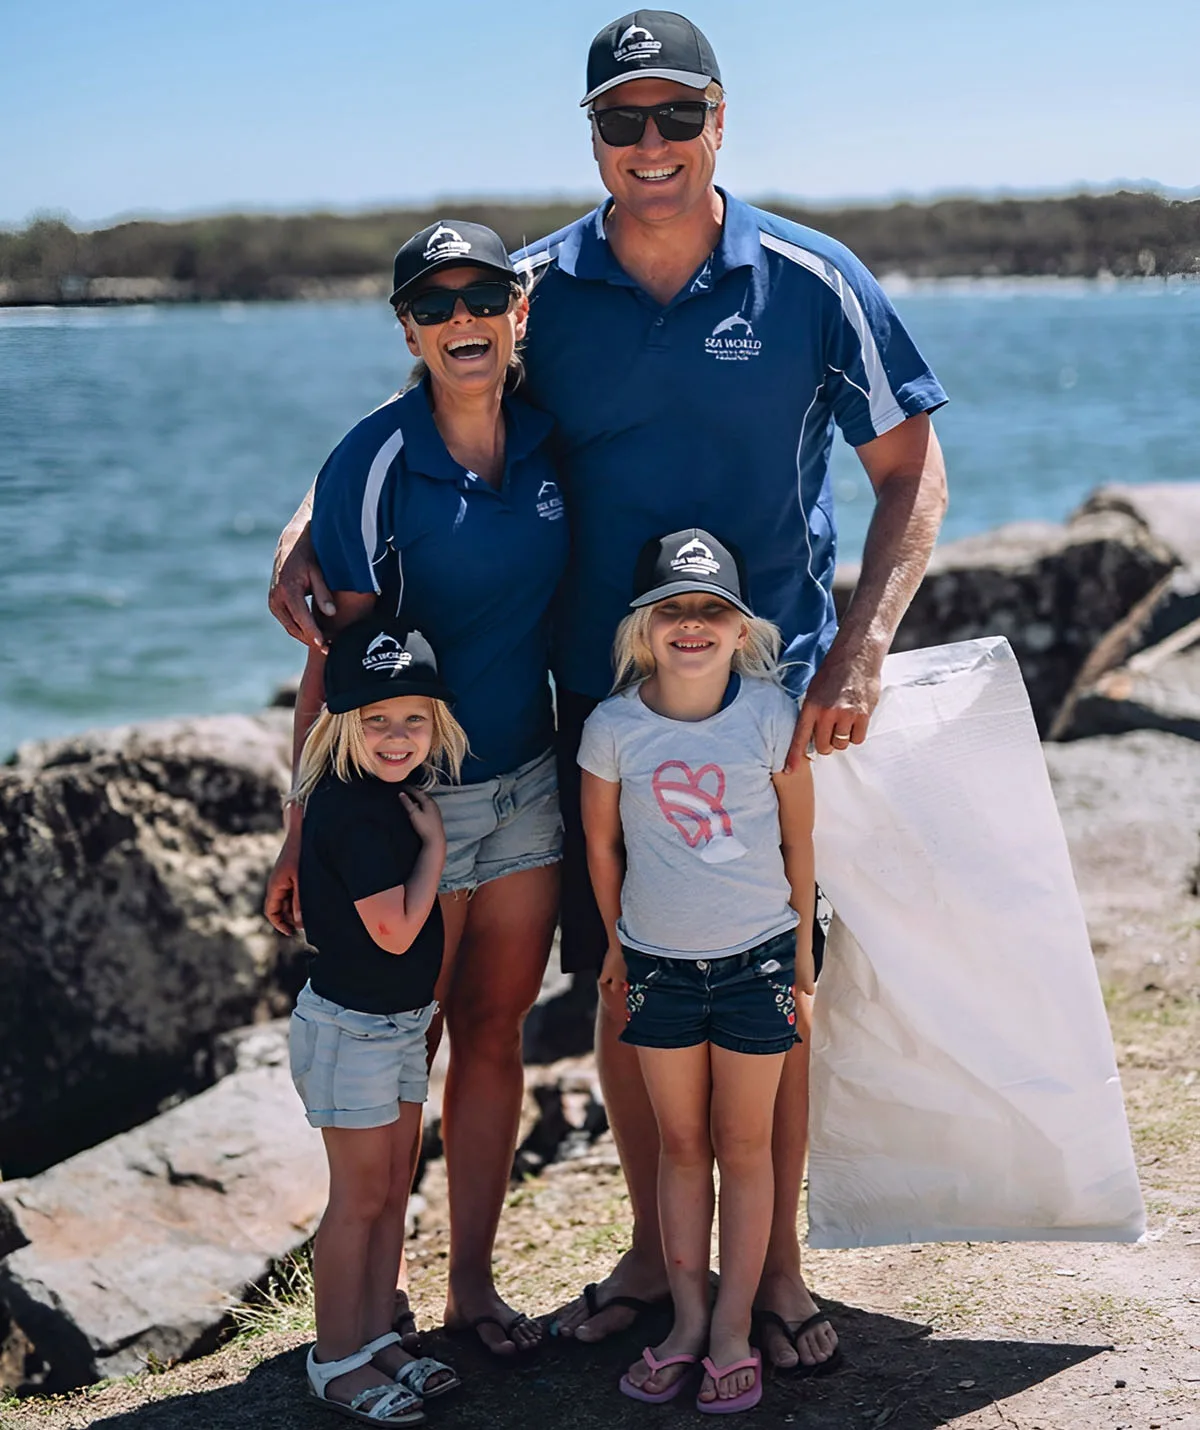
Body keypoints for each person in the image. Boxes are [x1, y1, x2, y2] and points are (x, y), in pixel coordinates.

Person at [268, 11, 949, 1373]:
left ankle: (777, 1271)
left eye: (675, 115)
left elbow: (910, 468)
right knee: (633, 976)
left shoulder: (813, 280)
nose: (651, 144)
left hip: (767, 704)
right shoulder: (530, 288)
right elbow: (426, 399)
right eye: (622, 120)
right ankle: (653, 1254)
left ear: (719, 120)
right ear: (592, 136)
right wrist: (305, 521)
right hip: (596, 711)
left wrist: (863, 647)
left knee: (771, 978)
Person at [265, 219, 569, 1357]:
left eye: (481, 297)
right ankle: (374, 1301)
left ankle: (473, 1291)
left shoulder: (551, 438)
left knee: (495, 1031)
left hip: (530, 784)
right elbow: (332, 660)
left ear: (517, 312)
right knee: (410, 1039)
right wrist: (301, 828)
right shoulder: (376, 460)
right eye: (433, 306)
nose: (461, 320)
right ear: (408, 331)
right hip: (413, 810)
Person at [580, 529, 817, 1413]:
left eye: (711, 610)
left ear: (741, 629)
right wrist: (615, 945)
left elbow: (800, 838)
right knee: (681, 1147)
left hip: (758, 963)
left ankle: (732, 1329)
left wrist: (800, 950)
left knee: (745, 1147)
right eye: (671, 609)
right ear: (642, 629)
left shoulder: (771, 714)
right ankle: (685, 1322)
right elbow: (601, 847)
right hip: (658, 968)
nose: (691, 624)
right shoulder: (612, 728)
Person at [288, 616, 466, 1425]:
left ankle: (375, 1338)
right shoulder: (354, 812)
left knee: (392, 1190)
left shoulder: (388, 796)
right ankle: (335, 1359)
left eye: (413, 718)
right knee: (358, 1199)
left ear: (438, 721)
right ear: (340, 723)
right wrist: (434, 852)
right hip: (352, 1030)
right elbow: (393, 929)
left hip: (398, 1022)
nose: (397, 736)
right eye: (376, 720)